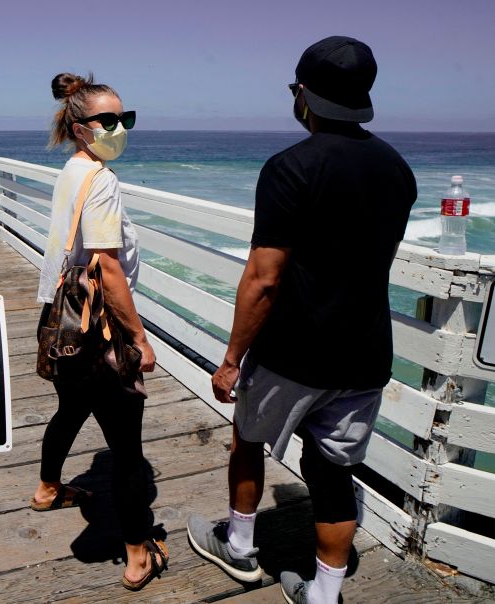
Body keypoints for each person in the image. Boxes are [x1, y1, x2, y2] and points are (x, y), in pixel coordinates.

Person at [185, 36, 416, 604]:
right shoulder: (397, 169)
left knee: (247, 436)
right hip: (364, 354)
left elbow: (264, 277)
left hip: (294, 352)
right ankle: (323, 593)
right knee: (335, 471)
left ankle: (239, 547)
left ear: (304, 96)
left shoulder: (290, 167)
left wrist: (232, 358)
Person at [30, 72, 166, 592]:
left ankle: (47, 489)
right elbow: (108, 269)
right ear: (80, 127)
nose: (119, 128)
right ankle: (137, 553)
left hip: (60, 321)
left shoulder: (73, 169)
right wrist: (139, 338)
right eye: (108, 120)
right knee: (128, 452)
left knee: (71, 408)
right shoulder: (103, 181)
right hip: (98, 331)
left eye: (125, 119)